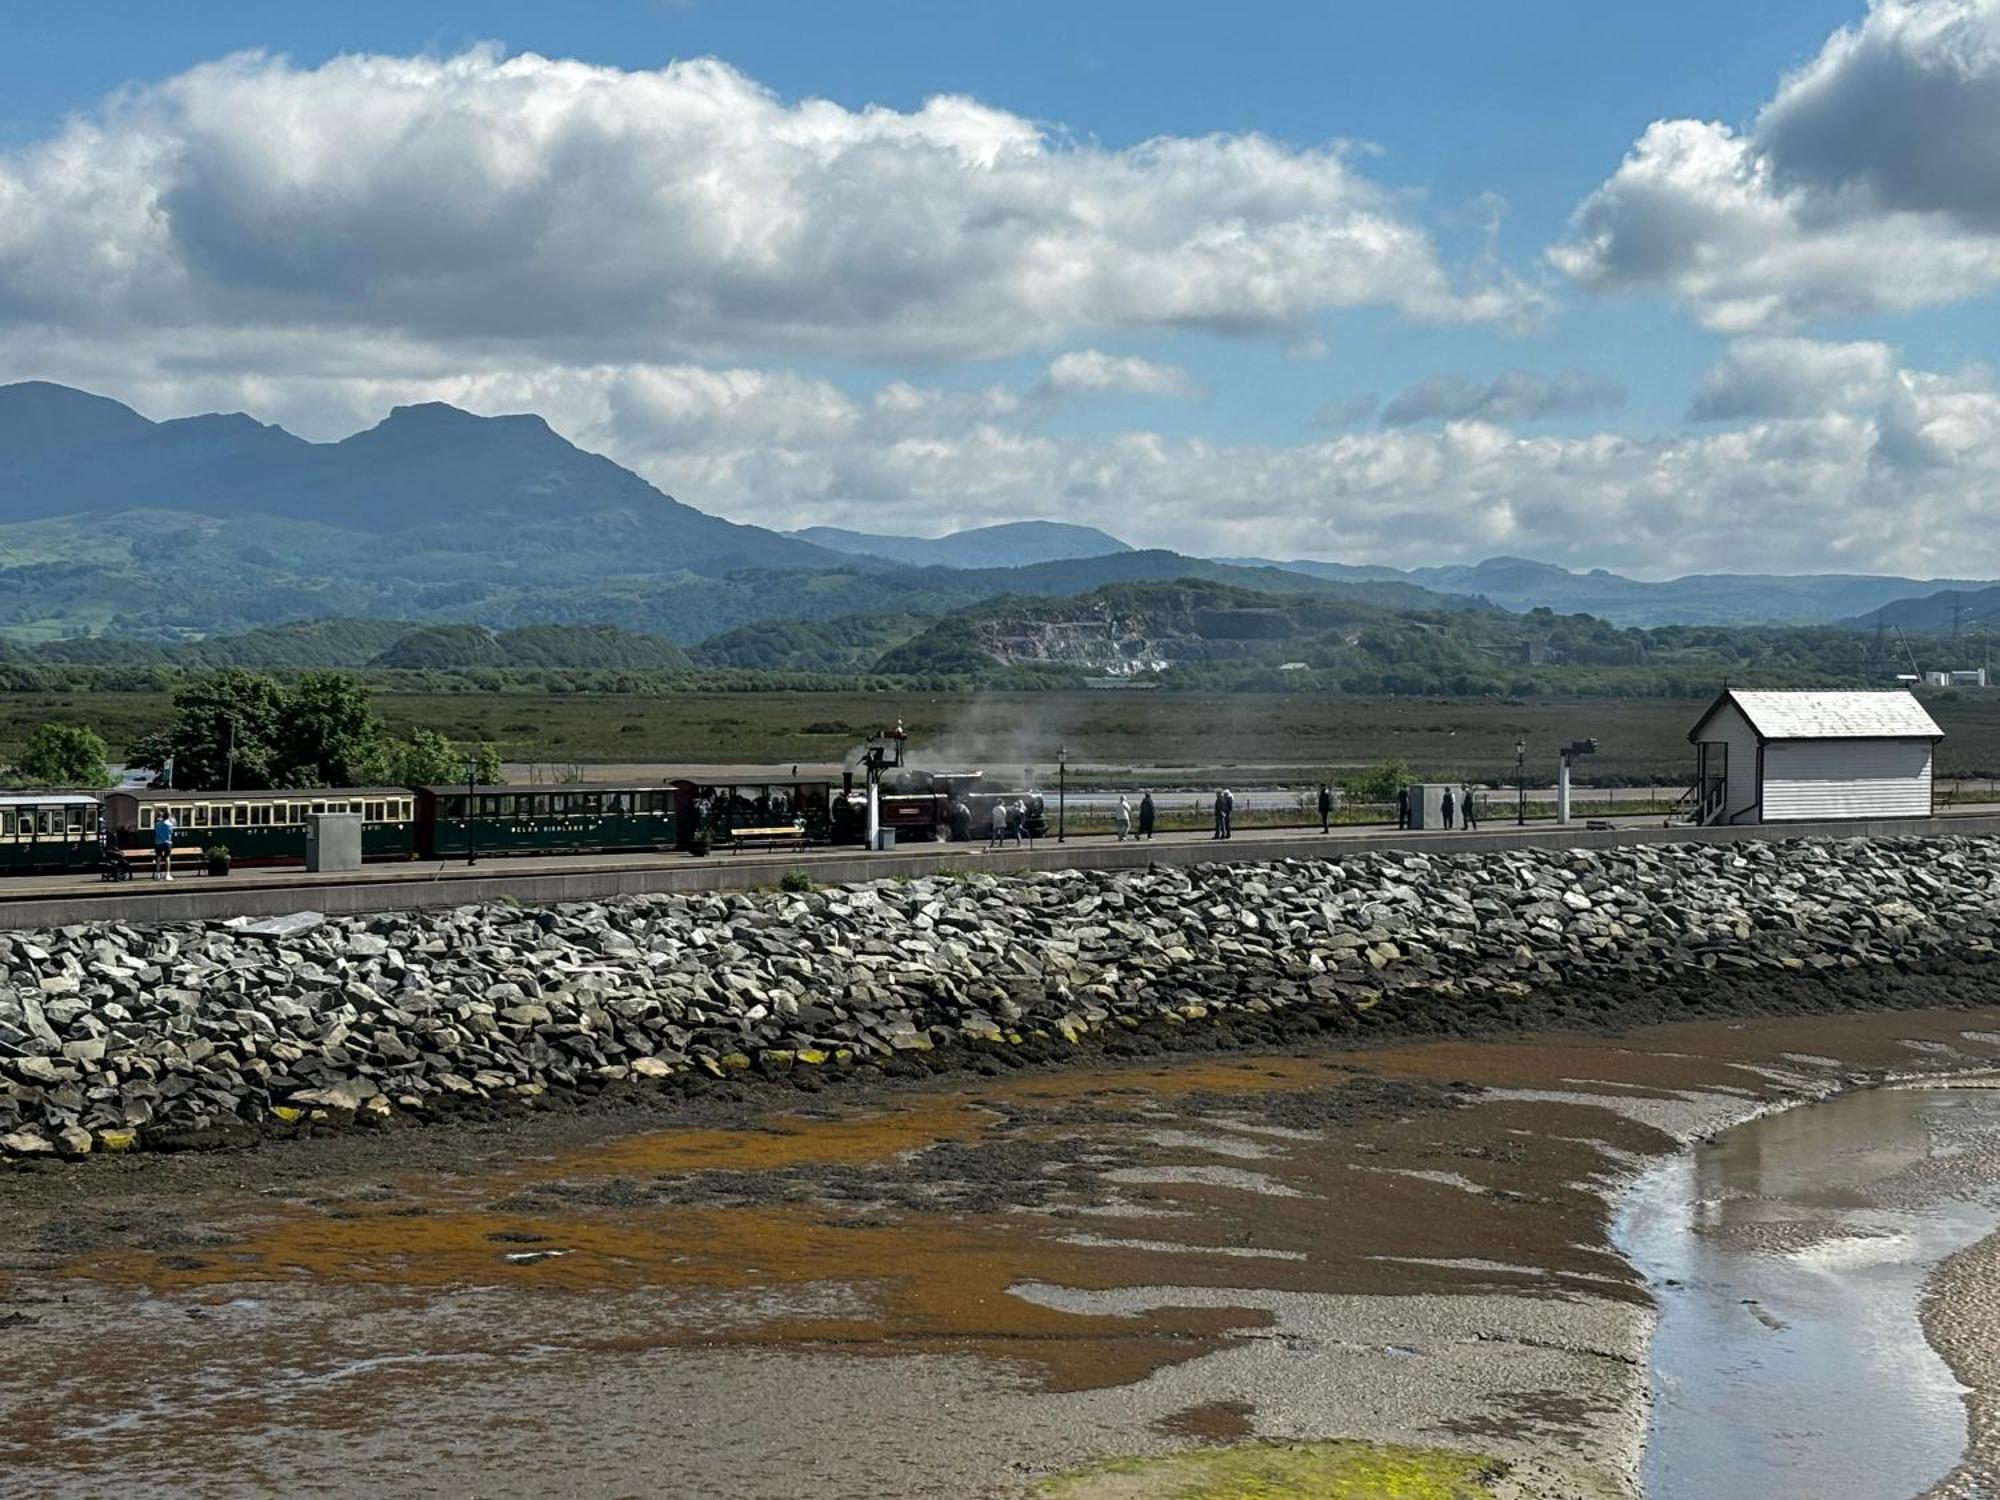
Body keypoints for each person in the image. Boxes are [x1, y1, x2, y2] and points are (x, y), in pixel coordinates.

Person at [152, 808, 176, 882]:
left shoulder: (157, 824)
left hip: (158, 842)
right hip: (167, 842)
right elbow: (170, 832)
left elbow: (155, 831)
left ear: (162, 817)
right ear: (168, 817)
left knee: (158, 858)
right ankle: (167, 875)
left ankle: (157, 874)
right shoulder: (169, 824)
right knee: (167, 858)